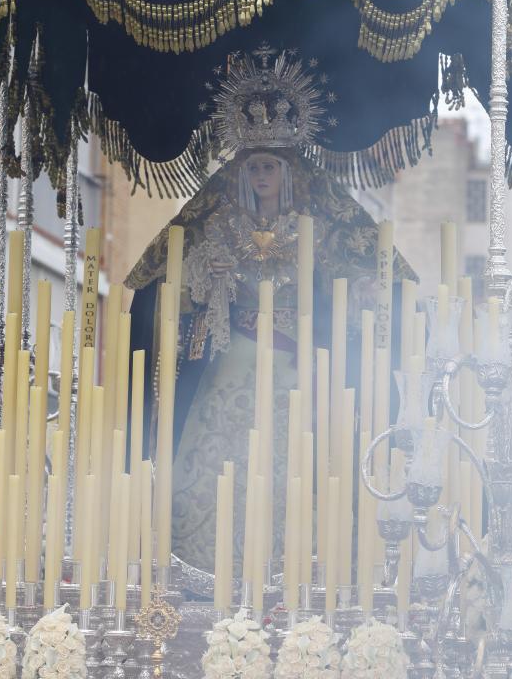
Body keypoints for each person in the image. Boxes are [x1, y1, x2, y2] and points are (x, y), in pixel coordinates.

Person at [126, 48, 416, 574]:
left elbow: (349, 280)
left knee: (297, 473)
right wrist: (204, 282)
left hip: (296, 368)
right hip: (233, 364)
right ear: (243, 172)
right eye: (254, 166)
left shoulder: (321, 225)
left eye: (270, 167)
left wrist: (367, 290)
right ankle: (206, 571)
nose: (262, 176)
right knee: (205, 475)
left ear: (288, 172)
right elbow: (171, 286)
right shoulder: (217, 227)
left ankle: (293, 570)